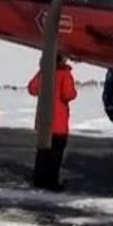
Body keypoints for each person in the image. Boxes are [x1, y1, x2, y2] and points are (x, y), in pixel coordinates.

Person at [27, 54, 78, 190]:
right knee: (56, 153)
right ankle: (51, 181)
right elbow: (68, 94)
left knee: (43, 152)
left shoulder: (44, 72)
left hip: (44, 119)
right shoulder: (64, 74)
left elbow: (32, 88)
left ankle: (39, 179)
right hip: (59, 121)